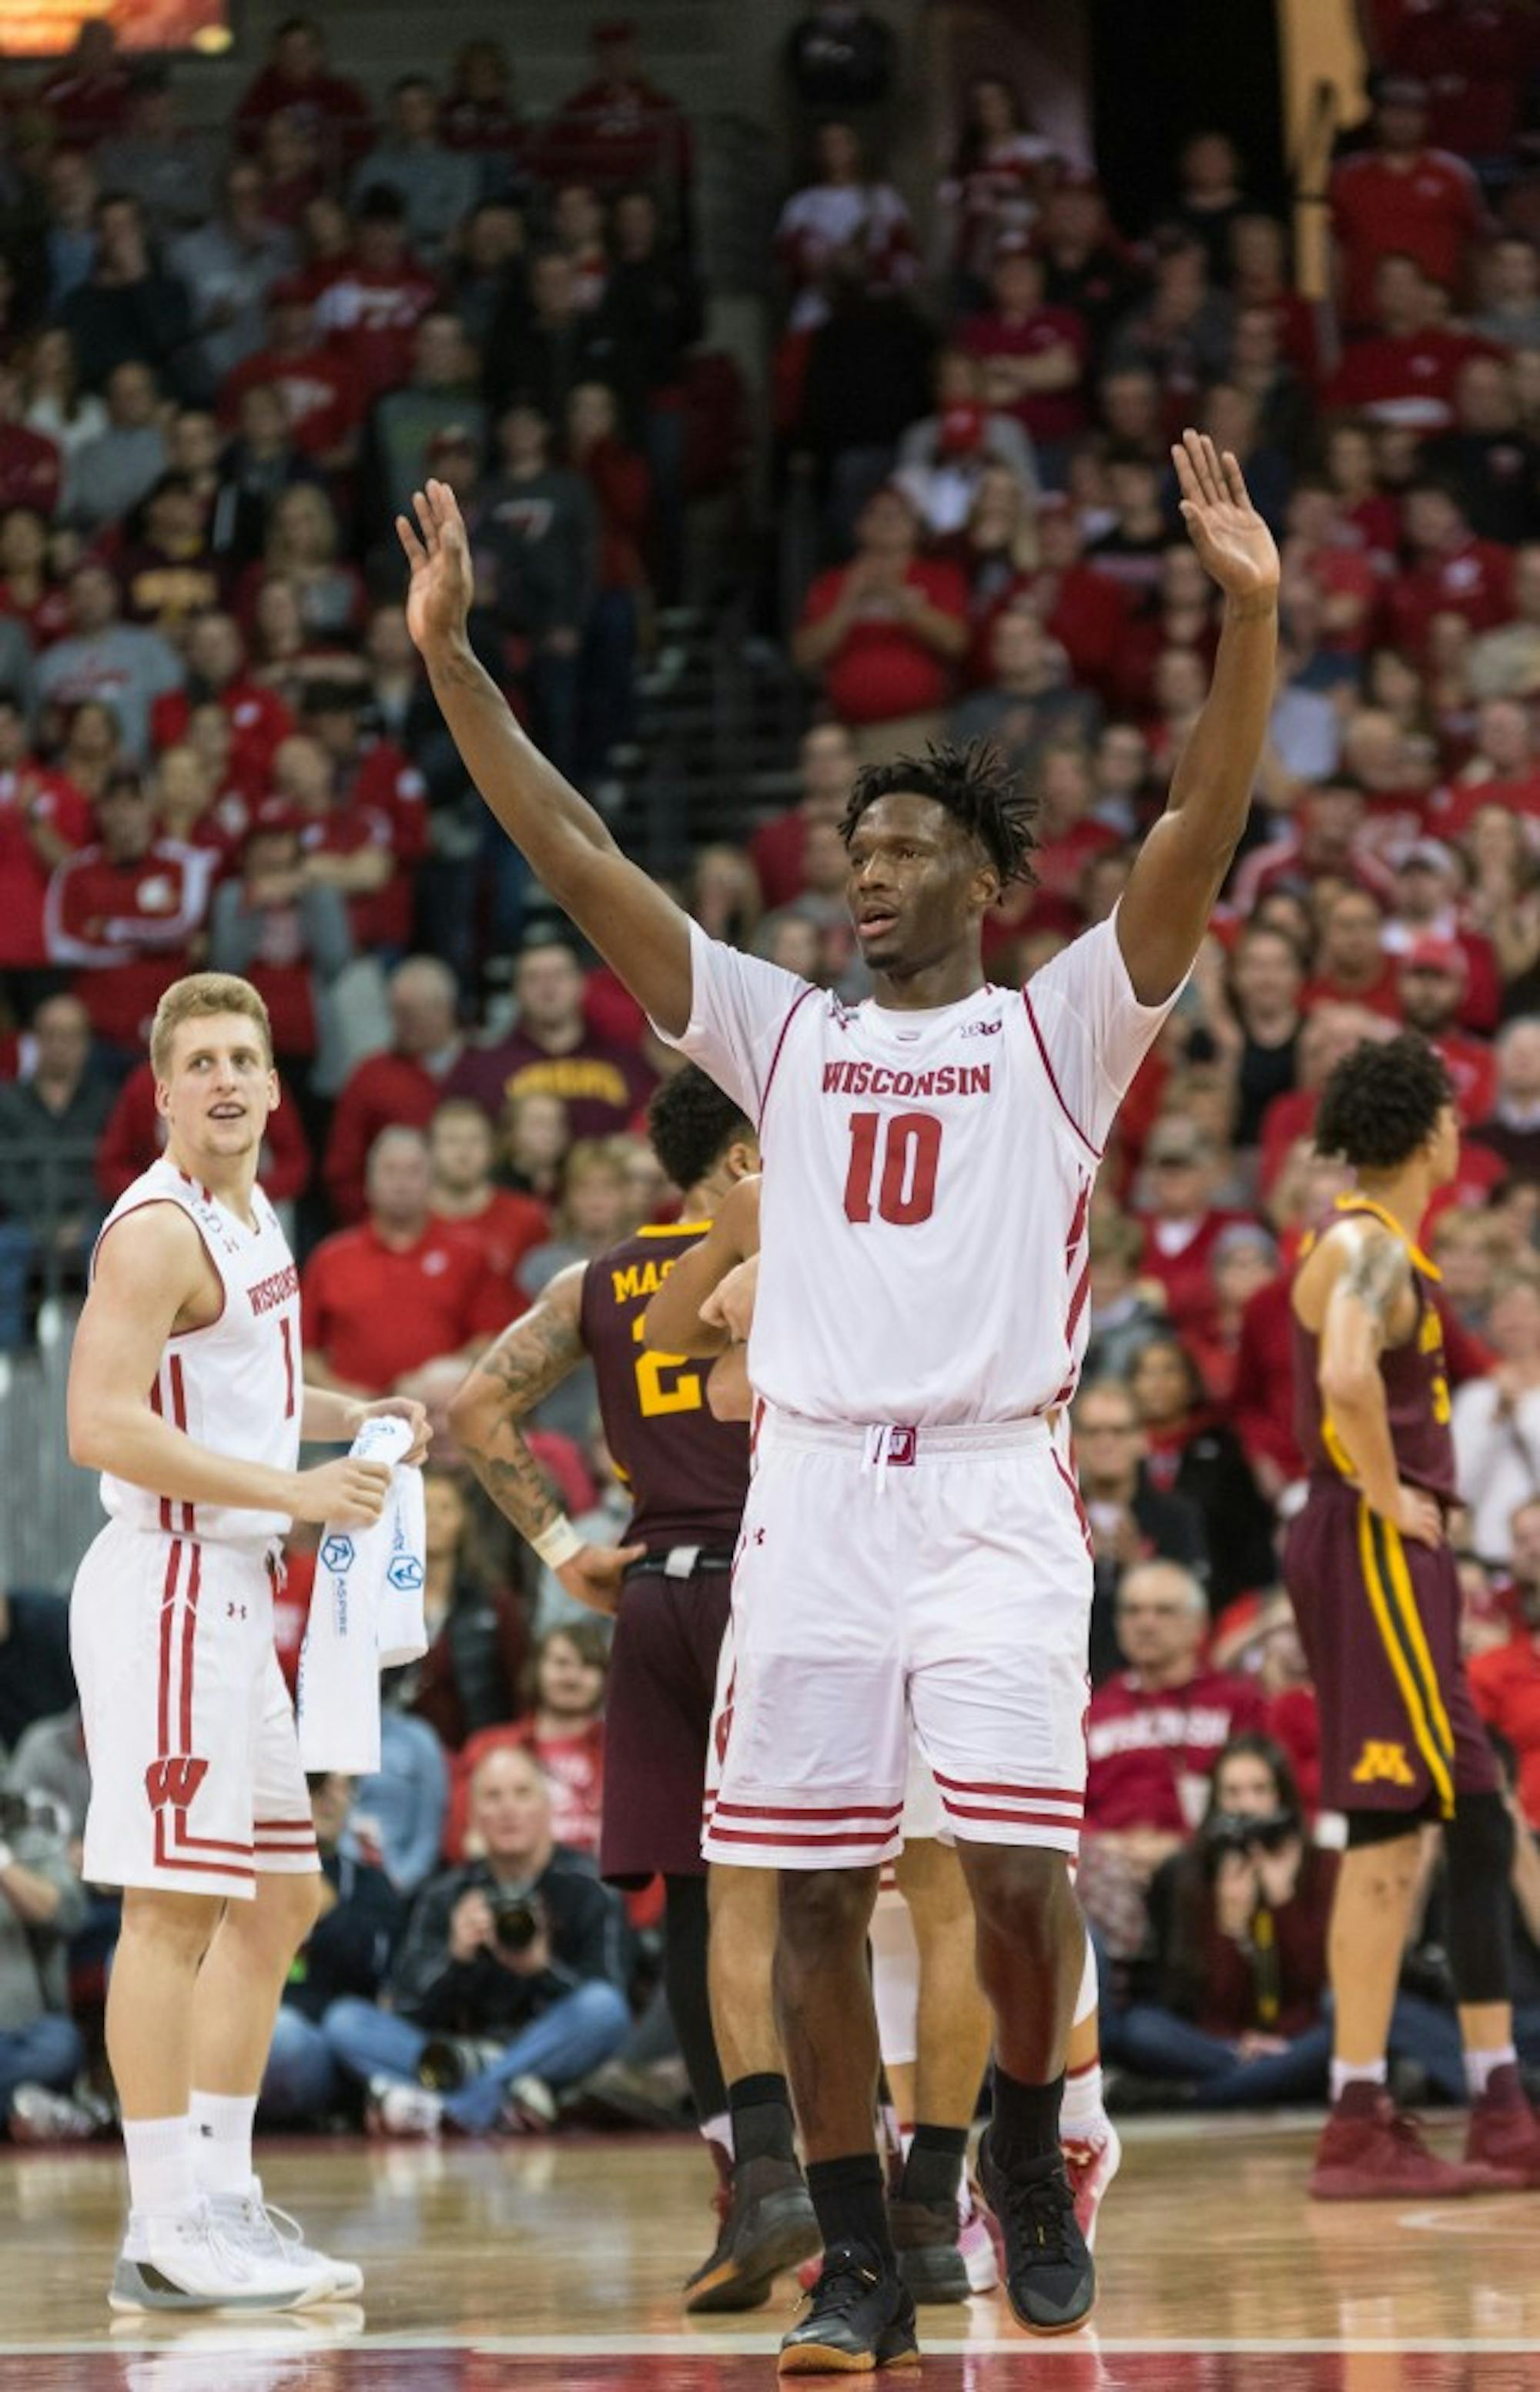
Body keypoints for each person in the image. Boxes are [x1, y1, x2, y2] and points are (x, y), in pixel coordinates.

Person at [397, 426, 1278, 2366]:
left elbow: (1190, 837)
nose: (859, 874)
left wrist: (1247, 622)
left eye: (897, 852)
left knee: (1021, 1873)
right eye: (850, 853)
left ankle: (1029, 2147)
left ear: (977, 872)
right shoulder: (777, 1030)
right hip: (807, 1492)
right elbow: (576, 854)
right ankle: (863, 2243)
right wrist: (453, 658)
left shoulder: (1053, 1031)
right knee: (794, 1893)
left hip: (987, 1487)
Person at [64, 970, 429, 2310]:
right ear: (161, 1091)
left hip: (231, 1588)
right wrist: (294, 1489)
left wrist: (352, 1414)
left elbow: (244, 1391)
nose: (224, 1080)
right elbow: (99, 1424)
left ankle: (221, 2190)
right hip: (166, 1582)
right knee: (172, 1911)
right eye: (198, 1062)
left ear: (277, 1084)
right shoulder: (155, 1231)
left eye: (243, 1058)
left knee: (281, 1895)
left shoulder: (253, 1208)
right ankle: (161, 2222)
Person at [448, 1069, 819, 2308]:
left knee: (701, 1905)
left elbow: (476, 1406)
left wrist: (567, 1557)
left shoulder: (594, 1281)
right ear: (740, 1157)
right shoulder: (803, 1255)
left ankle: (746, 2181)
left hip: (658, 1590)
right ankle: (872, 2181)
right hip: (785, 1584)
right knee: (829, 1893)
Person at [1285, 1030, 1540, 2199]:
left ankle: (1496, 2096)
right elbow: (1345, 1379)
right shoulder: (1364, 1247)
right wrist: (1395, 1500)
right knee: (1390, 1837)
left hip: (1390, 1546)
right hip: (1378, 1541)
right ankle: (1357, 2117)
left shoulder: (1382, 1247)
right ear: (1433, 1130)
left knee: (1479, 1824)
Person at [322, 1743, 630, 2136]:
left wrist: (541, 1968)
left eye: (522, 1794)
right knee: (344, 2020)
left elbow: (608, 2004)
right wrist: (454, 1954)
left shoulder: (591, 1888)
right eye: (493, 1796)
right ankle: (497, 2094)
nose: (508, 1809)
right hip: (457, 2055)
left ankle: (451, 2108)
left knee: (604, 2008)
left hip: (551, 2052)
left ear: (547, 1807)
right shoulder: (446, 1893)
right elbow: (402, 2005)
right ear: (473, 1815)